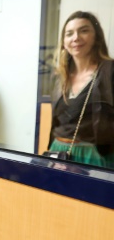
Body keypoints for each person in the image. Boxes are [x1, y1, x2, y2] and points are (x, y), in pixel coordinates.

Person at [47, 11, 114, 168]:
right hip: (59, 153)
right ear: (63, 42)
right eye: (69, 33)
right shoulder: (59, 77)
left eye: (84, 31)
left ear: (96, 36)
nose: (76, 38)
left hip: (95, 156)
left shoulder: (110, 70)